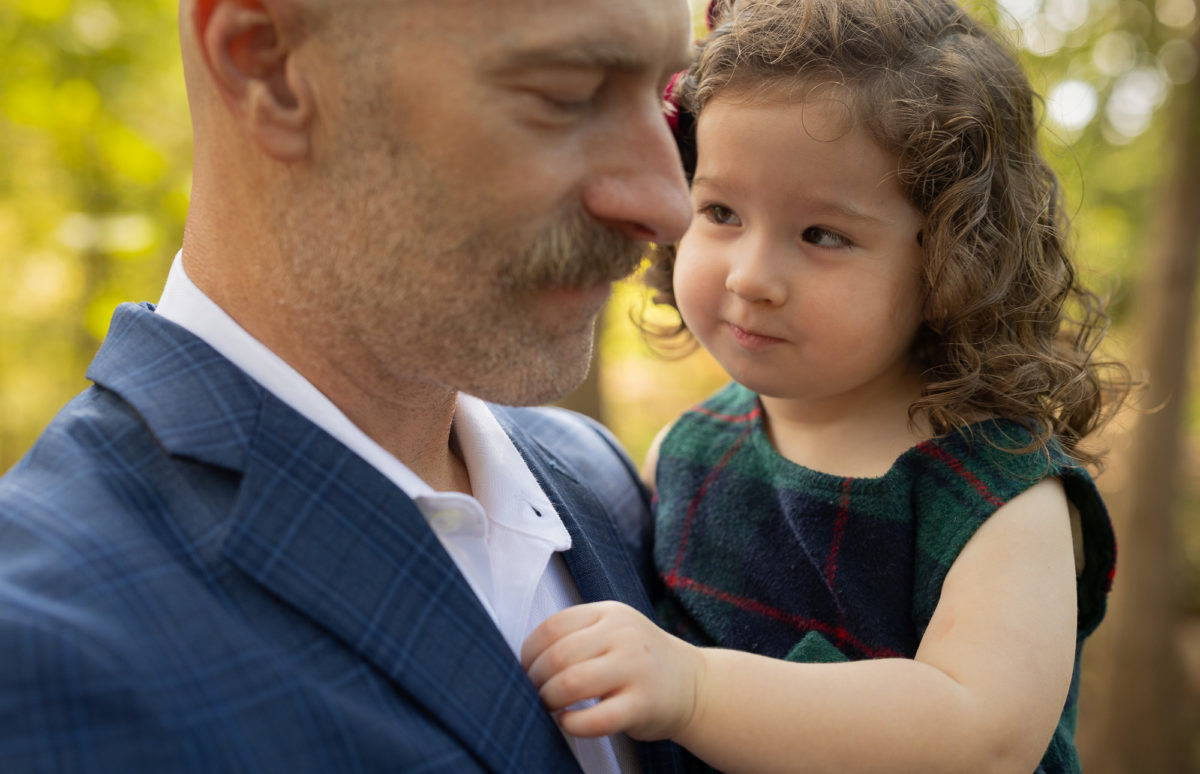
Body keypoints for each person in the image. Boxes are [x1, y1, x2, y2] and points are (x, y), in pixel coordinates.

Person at [0, 0, 696, 771]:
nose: (670, 208)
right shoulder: (40, 645)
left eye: (664, 98)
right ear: (266, 63)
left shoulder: (608, 483)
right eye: (566, 93)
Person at [520, 1, 1133, 772]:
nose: (752, 277)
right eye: (721, 211)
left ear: (952, 258)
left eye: (822, 235)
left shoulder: (1002, 495)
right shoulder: (688, 449)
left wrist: (698, 691)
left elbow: (983, 738)